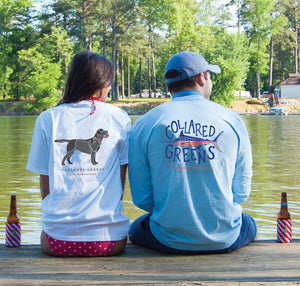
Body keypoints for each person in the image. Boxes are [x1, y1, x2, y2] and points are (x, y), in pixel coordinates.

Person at [128, 51, 257, 254]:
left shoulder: (145, 123)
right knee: (249, 223)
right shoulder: (232, 120)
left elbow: (142, 199)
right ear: (200, 78)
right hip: (226, 238)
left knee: (135, 229)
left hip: (167, 240)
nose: (210, 82)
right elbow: (241, 192)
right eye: (209, 76)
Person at [27, 51, 130, 256]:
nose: (110, 88)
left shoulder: (48, 119)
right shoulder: (120, 118)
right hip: (109, 242)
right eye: (109, 83)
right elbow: (120, 185)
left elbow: (45, 186)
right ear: (102, 84)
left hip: (57, 241)